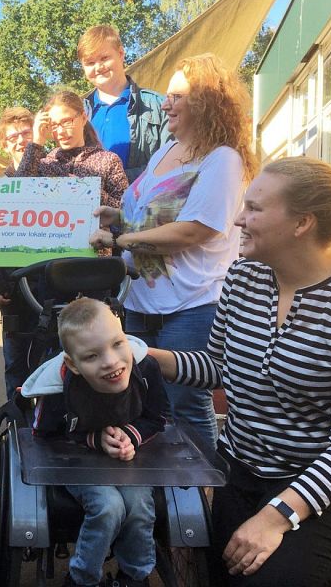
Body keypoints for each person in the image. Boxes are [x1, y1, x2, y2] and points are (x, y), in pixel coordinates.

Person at [148, 157, 331, 586]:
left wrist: (275, 517)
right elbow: (217, 367)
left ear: (301, 223)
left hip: (328, 489)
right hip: (242, 472)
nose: (237, 219)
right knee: (222, 575)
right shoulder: (244, 276)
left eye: (254, 208)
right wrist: (138, 355)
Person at [90, 53, 258, 449]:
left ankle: (204, 482)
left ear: (208, 102)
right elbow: (153, 214)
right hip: (141, 303)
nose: (165, 104)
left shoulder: (222, 159)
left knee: (187, 405)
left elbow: (194, 229)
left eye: (177, 96)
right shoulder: (168, 148)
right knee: (145, 401)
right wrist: (118, 216)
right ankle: (162, 480)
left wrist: (119, 241)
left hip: (191, 305)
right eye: (167, 96)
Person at [24, 298, 166, 587]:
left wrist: (130, 435)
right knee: (108, 506)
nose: (111, 362)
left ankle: (135, 576)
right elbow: (45, 436)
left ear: (125, 334)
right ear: (72, 364)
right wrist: (93, 438)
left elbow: (158, 416)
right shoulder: (55, 388)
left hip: (129, 459)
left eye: (118, 344)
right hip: (78, 461)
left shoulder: (145, 368)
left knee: (139, 505)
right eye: (91, 356)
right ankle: (82, 577)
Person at [0, 107, 38, 400]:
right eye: (13, 137)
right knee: (16, 360)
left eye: (26, 133)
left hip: (49, 283)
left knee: (50, 357)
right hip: (13, 288)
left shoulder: (55, 177)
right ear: (4, 144)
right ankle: (18, 418)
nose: (20, 140)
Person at [78, 25, 169, 183]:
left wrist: (115, 181)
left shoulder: (158, 106)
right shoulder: (77, 114)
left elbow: (172, 163)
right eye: (90, 63)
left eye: (104, 58)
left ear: (121, 54)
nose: (98, 67)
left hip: (144, 197)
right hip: (91, 199)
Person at [15, 90, 128, 212]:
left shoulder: (108, 161)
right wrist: (36, 142)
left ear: (83, 118)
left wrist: (85, 190)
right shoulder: (45, 164)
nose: (61, 132)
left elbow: (127, 211)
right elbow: (18, 194)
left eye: (67, 122)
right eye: (54, 125)